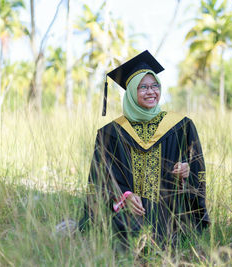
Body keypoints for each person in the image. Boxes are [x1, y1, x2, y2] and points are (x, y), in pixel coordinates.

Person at [80, 50, 209, 246]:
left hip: (169, 211)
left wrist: (186, 171)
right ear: (131, 91)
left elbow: (197, 168)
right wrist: (125, 196)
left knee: (171, 237)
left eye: (155, 85)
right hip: (127, 212)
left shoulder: (180, 126)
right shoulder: (111, 132)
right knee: (124, 236)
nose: (151, 92)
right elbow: (100, 176)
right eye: (143, 87)